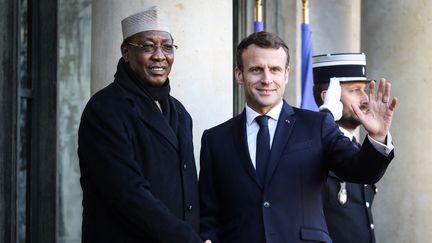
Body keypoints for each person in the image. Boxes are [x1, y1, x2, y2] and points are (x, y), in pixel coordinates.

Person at [199, 31, 397, 243]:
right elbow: (208, 214)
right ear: (239, 74)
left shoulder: (317, 125)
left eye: (275, 70)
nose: (267, 79)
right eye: (256, 70)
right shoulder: (215, 139)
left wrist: (378, 136)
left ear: (286, 75)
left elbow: (360, 169)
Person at [78, 6, 210, 243]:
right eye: (148, 46)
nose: (159, 55)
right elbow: (127, 193)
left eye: (167, 46)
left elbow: (188, 193)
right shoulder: (104, 109)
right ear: (126, 52)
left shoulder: (180, 112)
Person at [312, 53, 379, 243]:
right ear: (328, 98)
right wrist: (326, 116)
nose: (365, 98)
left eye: (364, 90)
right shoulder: (313, 148)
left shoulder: (356, 148)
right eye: (355, 90)